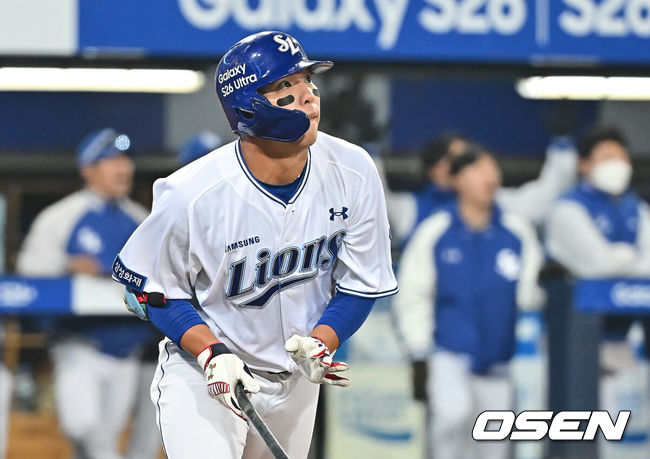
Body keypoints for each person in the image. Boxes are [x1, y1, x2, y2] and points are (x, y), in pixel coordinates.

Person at [113, 31, 397, 459]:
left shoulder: (354, 170)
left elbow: (361, 282)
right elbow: (148, 290)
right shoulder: (192, 192)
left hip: (295, 380)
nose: (308, 95)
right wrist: (210, 353)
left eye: (308, 80)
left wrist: (322, 340)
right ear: (247, 104)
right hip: (206, 374)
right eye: (286, 86)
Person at [393, 145, 545, 459]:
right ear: (457, 179)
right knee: (452, 416)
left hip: (500, 357)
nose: (489, 176)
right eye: (478, 169)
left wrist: (545, 288)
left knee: (494, 441)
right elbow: (413, 294)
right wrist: (418, 350)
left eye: (493, 168)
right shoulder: (436, 231)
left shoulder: (516, 232)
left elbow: (531, 295)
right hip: (449, 350)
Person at [16, 128, 155, 459]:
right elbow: (28, 272)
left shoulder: (140, 220)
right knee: (82, 428)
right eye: (112, 160)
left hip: (128, 349)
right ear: (88, 169)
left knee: (102, 439)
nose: (123, 167)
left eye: (126, 160)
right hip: (79, 344)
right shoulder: (62, 216)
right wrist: (66, 266)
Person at [545, 125, 650, 443]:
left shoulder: (637, 208)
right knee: (580, 433)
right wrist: (630, 258)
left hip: (623, 346)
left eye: (621, 157)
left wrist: (622, 260)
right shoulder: (567, 207)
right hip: (572, 343)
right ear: (584, 164)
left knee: (626, 437)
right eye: (606, 157)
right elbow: (598, 265)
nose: (616, 164)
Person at [384, 133, 578, 245]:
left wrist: (561, 146)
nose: (465, 167)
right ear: (434, 168)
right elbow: (374, 197)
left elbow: (541, 200)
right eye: (456, 160)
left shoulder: (496, 202)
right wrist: (371, 150)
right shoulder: (414, 210)